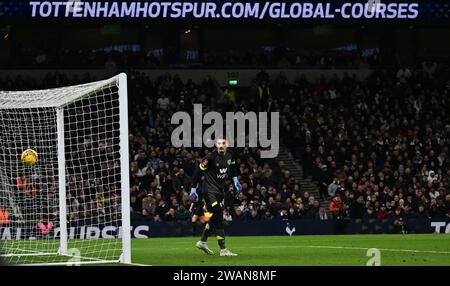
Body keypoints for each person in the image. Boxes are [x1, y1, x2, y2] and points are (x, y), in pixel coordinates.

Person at [189, 138, 242, 256]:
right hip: (208, 191)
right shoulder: (210, 157)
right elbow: (198, 172)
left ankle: (202, 241)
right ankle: (223, 249)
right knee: (218, 213)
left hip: (219, 190)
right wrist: (193, 190)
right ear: (216, 145)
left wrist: (235, 180)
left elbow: (232, 168)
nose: (221, 145)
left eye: (223, 143)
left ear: (227, 145)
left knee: (216, 215)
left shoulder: (230, 154)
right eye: (219, 144)